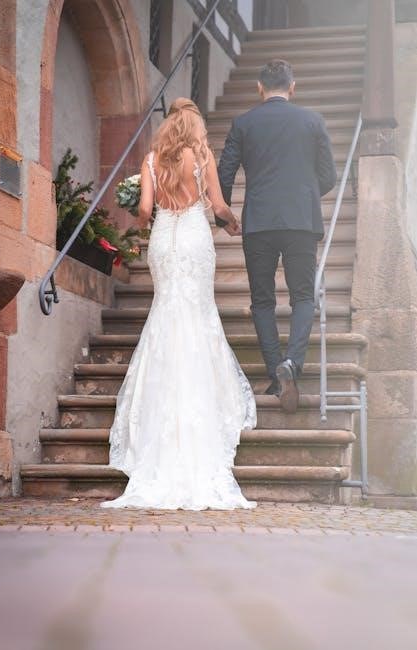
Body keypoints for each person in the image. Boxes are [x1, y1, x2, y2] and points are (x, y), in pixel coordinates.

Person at [101, 98, 257, 511]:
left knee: (166, 309)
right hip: (193, 237)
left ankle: (157, 416)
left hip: (164, 240)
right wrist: (231, 222)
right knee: (197, 311)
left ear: (169, 126)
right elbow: (217, 205)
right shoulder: (202, 156)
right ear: (195, 126)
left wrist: (143, 220)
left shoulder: (152, 160)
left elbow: (145, 209)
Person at [217, 60, 337, 413]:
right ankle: (292, 364)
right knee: (303, 296)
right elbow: (328, 175)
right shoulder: (313, 121)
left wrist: (223, 216)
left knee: (263, 301)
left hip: (258, 222)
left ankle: (275, 372)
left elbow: (224, 174)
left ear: (259, 88)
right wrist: (306, 195)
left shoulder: (243, 123)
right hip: (301, 220)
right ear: (292, 87)